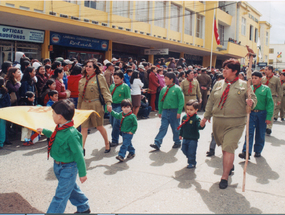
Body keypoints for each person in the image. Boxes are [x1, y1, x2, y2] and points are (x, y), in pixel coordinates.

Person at [200, 59, 256, 189]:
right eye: (223, 68)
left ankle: (224, 176)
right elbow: (211, 101)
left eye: (226, 68)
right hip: (218, 121)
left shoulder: (244, 85)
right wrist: (206, 116)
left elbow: (253, 99)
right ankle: (229, 165)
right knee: (224, 148)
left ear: (235, 71)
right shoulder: (218, 84)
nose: (223, 70)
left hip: (236, 122)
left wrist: (251, 103)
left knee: (228, 148)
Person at [37, 99, 90, 214]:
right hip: (58, 166)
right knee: (70, 189)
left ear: (60, 116)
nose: (52, 115)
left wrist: (82, 173)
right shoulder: (60, 127)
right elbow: (57, 136)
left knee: (60, 196)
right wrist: (45, 131)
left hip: (68, 168)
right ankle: (84, 207)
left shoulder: (71, 134)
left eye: (53, 113)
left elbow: (79, 154)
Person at [78, 59, 112, 155]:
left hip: (96, 104)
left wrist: (108, 103)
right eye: (86, 66)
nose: (87, 68)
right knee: (84, 128)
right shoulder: (82, 79)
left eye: (90, 66)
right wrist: (79, 107)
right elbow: (80, 95)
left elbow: (105, 91)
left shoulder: (99, 77)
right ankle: (81, 149)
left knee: (99, 126)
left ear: (94, 69)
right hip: (84, 104)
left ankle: (106, 143)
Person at [238, 71, 274, 159]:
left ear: (260, 79)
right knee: (249, 133)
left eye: (256, 78)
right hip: (251, 113)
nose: (254, 80)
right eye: (252, 78)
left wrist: (269, 117)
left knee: (260, 133)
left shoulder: (266, 89)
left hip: (262, 113)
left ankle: (258, 150)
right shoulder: (248, 88)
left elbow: (270, 104)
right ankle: (246, 152)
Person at [150, 72, 184, 150]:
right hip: (165, 111)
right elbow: (160, 101)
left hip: (174, 111)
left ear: (171, 79)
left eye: (166, 79)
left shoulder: (177, 89)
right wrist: (160, 111)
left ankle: (177, 141)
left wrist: (179, 111)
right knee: (163, 127)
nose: (164, 80)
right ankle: (157, 142)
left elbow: (181, 101)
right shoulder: (164, 89)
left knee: (175, 127)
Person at [178, 100, 205, 168]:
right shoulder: (184, 117)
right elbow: (182, 127)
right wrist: (180, 134)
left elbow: (199, 126)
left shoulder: (196, 118)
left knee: (192, 152)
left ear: (196, 110)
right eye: (187, 109)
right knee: (183, 149)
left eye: (191, 110)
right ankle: (190, 157)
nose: (189, 111)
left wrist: (202, 125)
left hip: (193, 139)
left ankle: (192, 162)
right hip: (185, 138)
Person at [109, 71, 131, 148]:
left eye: (117, 78)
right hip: (112, 105)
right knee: (112, 123)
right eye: (114, 78)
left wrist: (126, 109)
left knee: (116, 123)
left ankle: (114, 141)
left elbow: (128, 98)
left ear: (122, 78)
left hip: (120, 106)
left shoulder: (125, 87)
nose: (115, 80)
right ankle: (126, 136)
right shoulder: (112, 86)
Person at [262, 66, 282, 135]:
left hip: (272, 97)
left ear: (270, 70)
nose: (265, 71)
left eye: (266, 70)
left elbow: (279, 90)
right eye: (265, 69)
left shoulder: (276, 79)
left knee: (271, 112)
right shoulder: (263, 79)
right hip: (263, 98)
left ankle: (269, 127)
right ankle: (264, 126)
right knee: (263, 112)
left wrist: (279, 99)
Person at [0, 76, 11, 149]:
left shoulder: (5, 92)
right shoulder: (5, 92)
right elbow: (8, 103)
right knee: (2, 128)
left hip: (2, 112)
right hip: (3, 112)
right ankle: (1, 143)